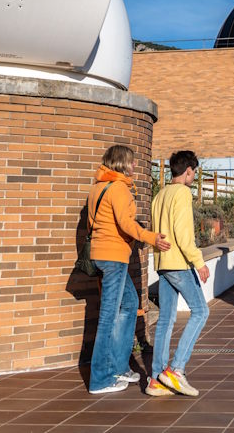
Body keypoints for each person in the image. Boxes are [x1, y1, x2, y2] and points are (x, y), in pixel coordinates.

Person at [87, 145, 171, 395]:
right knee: (108, 317)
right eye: (132, 162)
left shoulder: (98, 187)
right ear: (122, 163)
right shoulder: (119, 188)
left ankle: (118, 366)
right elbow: (126, 224)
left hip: (102, 256)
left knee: (128, 304)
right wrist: (151, 237)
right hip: (113, 258)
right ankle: (100, 379)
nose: (135, 166)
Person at [146, 150, 211, 397]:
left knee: (166, 319)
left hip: (163, 263)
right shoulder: (182, 193)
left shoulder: (160, 195)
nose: (193, 177)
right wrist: (199, 262)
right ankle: (176, 369)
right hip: (179, 263)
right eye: (193, 172)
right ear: (188, 171)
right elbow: (183, 235)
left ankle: (156, 379)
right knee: (201, 311)